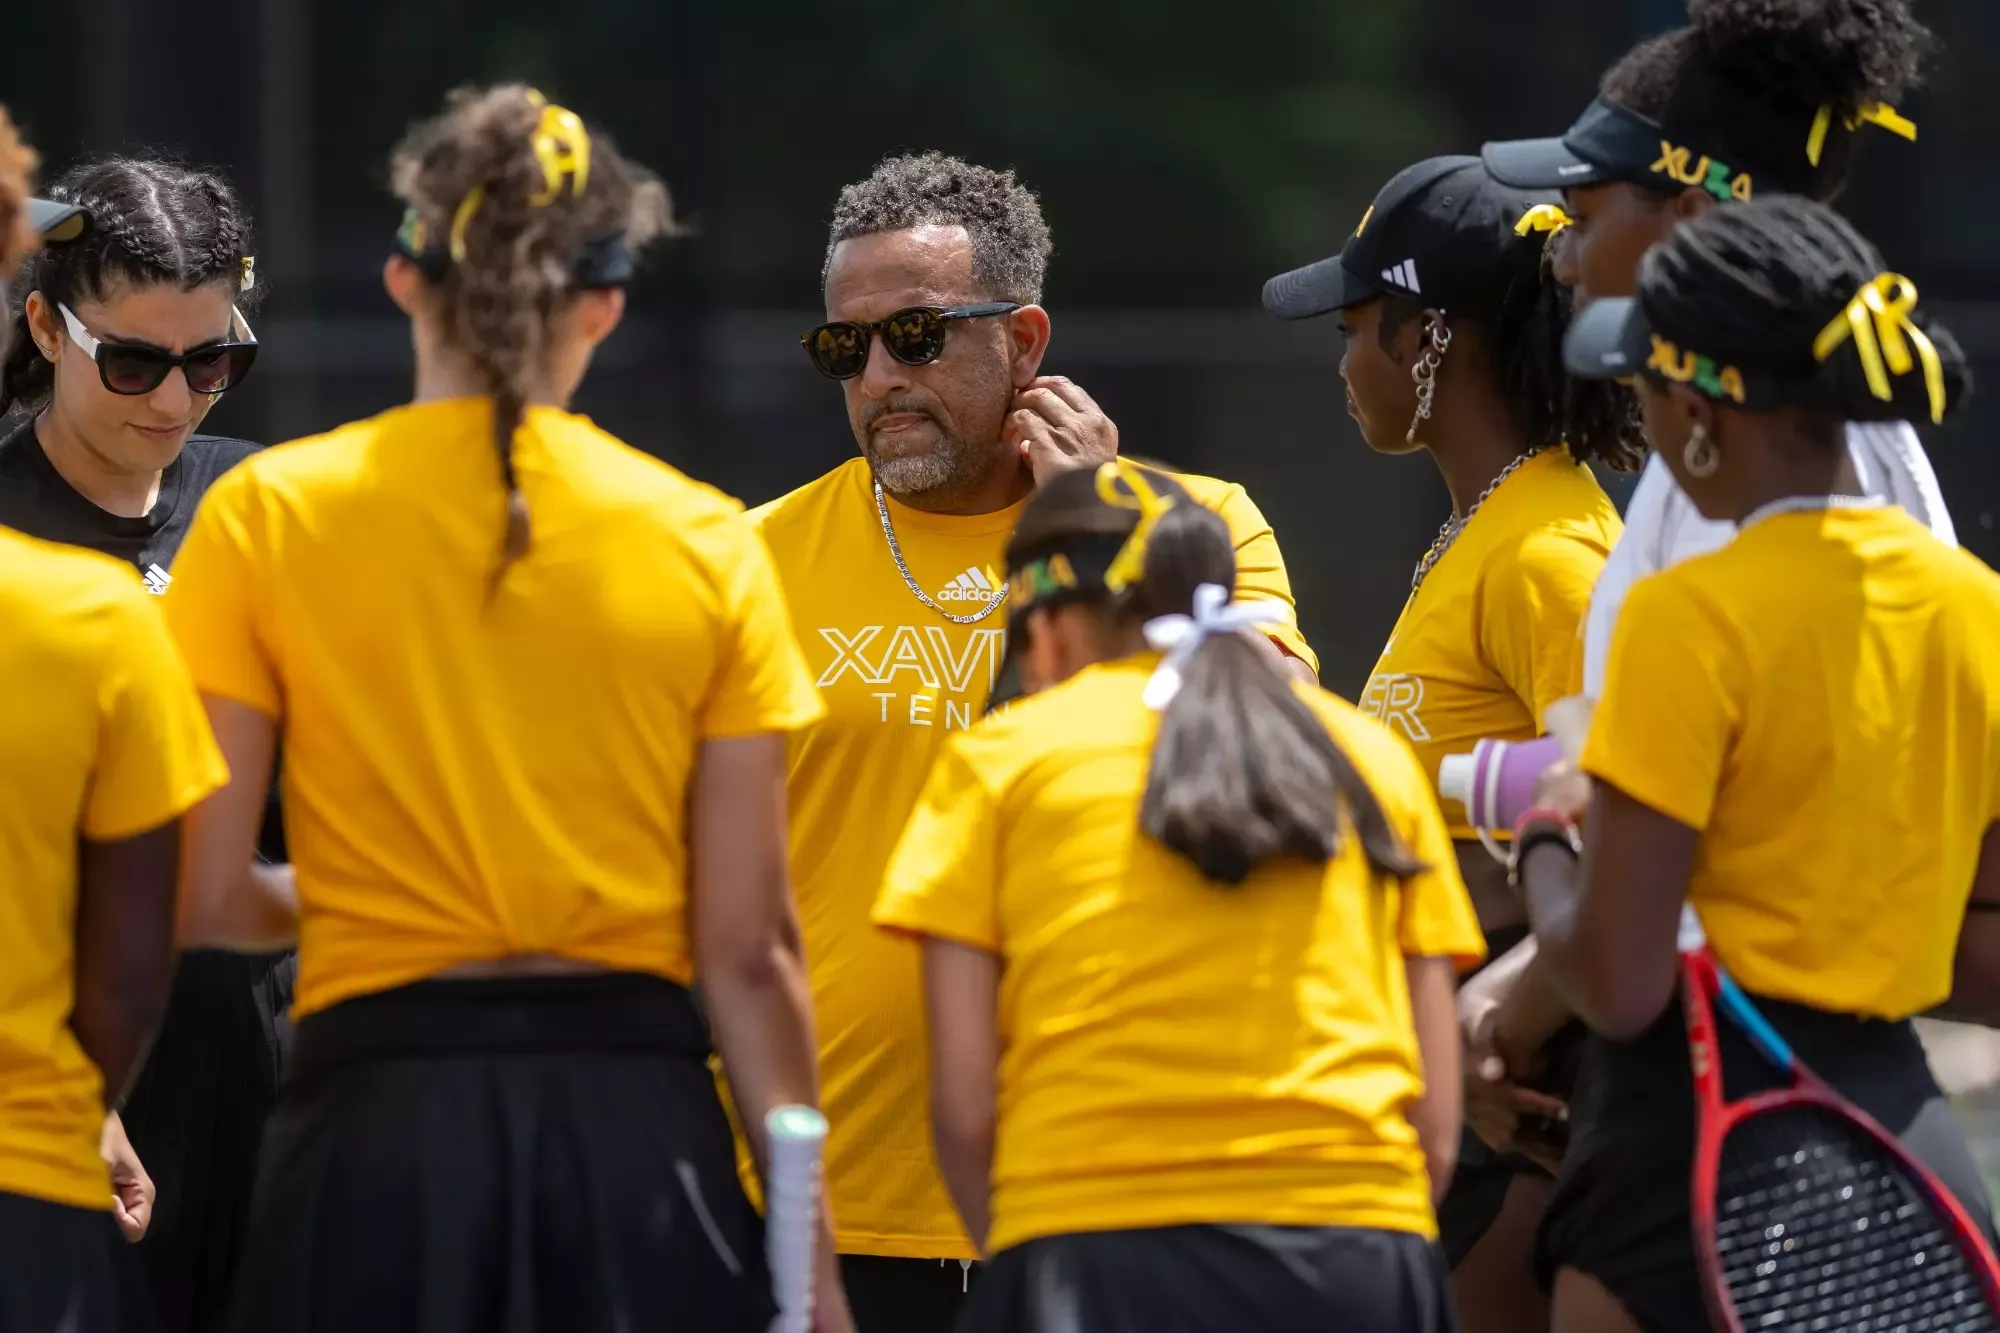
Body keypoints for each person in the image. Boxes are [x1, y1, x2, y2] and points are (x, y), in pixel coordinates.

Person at [161, 84, 849, 1332]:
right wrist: (812, 1262)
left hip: (371, 1131)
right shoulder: (704, 539)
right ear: (604, 304)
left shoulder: (271, 515)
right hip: (639, 1134)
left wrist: (379, 887)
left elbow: (206, 890)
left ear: (403, 279)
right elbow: (753, 953)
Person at [751, 150, 1317, 1331]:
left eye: (913, 333)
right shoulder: (744, 560)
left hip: (1115, 1193)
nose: (876, 377)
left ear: (1023, 338)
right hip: (828, 1210)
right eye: (842, 348)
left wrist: (1116, 537)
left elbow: (1284, 761)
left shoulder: (1200, 524)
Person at [1519, 195, 1998, 1333]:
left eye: (1638, 384)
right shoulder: (1973, 608)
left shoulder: (1686, 617)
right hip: (1905, 1156)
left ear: (1694, 410)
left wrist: (1547, 832)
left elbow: (1616, 981)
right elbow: (1981, 950)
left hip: (1684, 1152)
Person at [872, 458, 1482, 1332]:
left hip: (1094, 1255)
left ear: (1046, 633)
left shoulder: (1002, 763)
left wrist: (1025, 1256)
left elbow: (965, 1113)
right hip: (1356, 1253)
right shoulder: (1368, 758)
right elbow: (1434, 1115)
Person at [1263, 154, 1635, 1333]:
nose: (1338, 361)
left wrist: (1499, 1035)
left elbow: (1628, 831)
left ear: (1428, 338)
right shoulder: (1491, 531)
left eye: (1354, 323)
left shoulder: (1546, 557)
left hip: (1524, 1116)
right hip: (1454, 1098)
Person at [0, 154, 288, 1333]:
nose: (173, 401)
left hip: (274, 1069)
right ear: (44, 326)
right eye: (132, 361)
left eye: (212, 361)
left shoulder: (268, 508)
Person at [1480, 0, 1952, 701]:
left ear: (1693, 219)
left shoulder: (1744, 467)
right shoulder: (1812, 425)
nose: (1564, 260)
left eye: (1581, 221)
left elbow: (1722, 775)